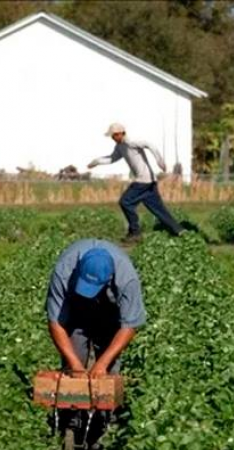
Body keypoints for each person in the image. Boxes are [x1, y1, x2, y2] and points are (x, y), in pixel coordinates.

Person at [46, 238, 145, 378]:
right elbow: (55, 322)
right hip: (76, 310)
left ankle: (108, 397)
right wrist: (75, 364)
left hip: (109, 312)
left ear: (109, 278)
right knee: (73, 369)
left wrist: (103, 363)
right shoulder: (64, 271)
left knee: (108, 373)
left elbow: (129, 325)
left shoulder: (127, 279)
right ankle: (73, 397)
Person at [87, 123, 184, 242]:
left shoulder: (131, 142)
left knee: (125, 202)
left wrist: (160, 161)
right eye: (112, 136)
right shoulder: (120, 147)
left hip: (143, 180)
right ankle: (179, 231)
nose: (113, 139)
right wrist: (96, 161)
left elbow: (149, 145)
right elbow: (112, 158)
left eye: (114, 136)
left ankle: (135, 232)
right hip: (150, 181)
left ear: (121, 133)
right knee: (158, 209)